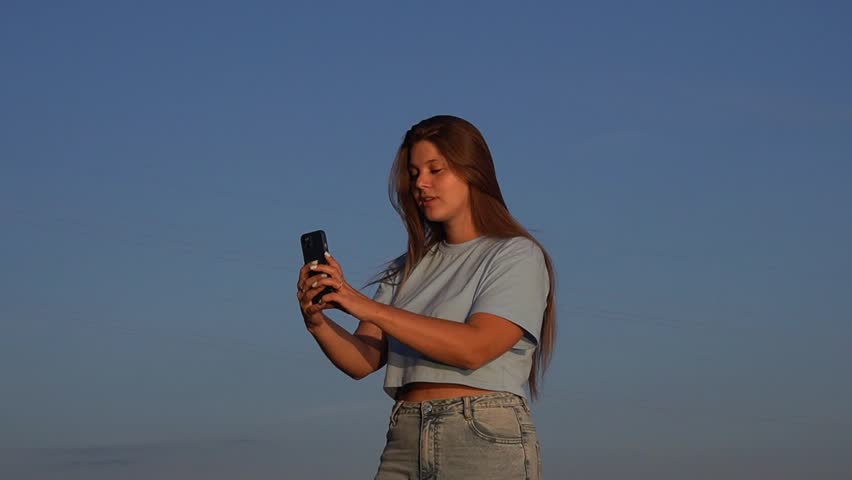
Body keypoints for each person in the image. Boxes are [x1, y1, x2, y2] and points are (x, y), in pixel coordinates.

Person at [296, 114, 557, 479]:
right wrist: (317, 322)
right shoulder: (407, 268)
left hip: (481, 434)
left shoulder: (515, 255)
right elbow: (362, 360)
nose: (422, 184)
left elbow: (475, 347)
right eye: (415, 173)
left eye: (436, 170)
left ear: (473, 171)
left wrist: (364, 304)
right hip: (403, 436)